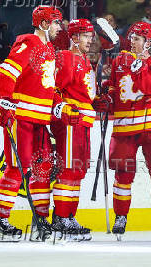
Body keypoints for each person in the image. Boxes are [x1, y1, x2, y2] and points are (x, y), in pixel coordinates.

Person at [0, 5, 75, 242]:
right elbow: (4, 74)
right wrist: (6, 102)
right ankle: (0, 220)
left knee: (42, 170)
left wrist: (60, 106)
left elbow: (48, 86)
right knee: (16, 168)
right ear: (45, 24)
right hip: (22, 117)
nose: (60, 27)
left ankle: (40, 221)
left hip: (39, 120)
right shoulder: (28, 43)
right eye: (57, 23)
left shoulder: (49, 48)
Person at [103, 21, 151, 241]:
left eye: (137, 38)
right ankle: (120, 218)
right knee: (123, 174)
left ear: (149, 43)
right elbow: (114, 91)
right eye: (131, 37)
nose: (131, 41)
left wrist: (141, 68)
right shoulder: (119, 61)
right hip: (124, 128)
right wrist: (105, 99)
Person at [50, 19, 97, 241]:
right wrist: (63, 108)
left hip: (83, 122)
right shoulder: (66, 57)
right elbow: (54, 89)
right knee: (68, 169)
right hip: (70, 122)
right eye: (86, 36)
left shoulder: (85, 60)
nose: (91, 40)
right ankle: (60, 218)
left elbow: (85, 92)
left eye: (91, 36)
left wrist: (99, 100)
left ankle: (70, 216)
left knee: (78, 170)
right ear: (75, 37)